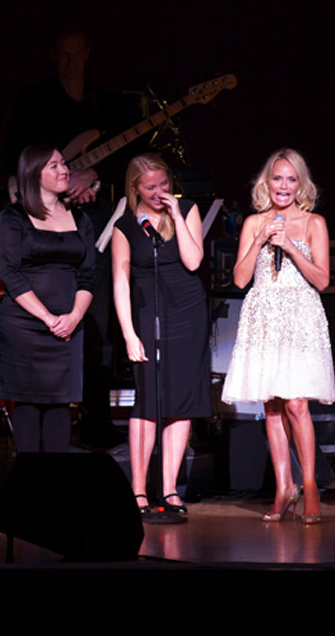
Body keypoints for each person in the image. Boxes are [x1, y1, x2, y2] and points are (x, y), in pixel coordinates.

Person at [2, 25, 143, 449]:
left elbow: (130, 163)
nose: (70, 61)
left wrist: (94, 174)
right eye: (63, 54)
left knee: (97, 325)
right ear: (52, 54)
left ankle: (96, 420)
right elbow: (14, 157)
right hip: (39, 237)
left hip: (91, 229)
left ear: (88, 53)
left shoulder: (107, 105)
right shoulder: (33, 100)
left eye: (77, 53)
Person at [221, 149, 335, 524]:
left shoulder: (314, 223)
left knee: (297, 404)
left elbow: (321, 280)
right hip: (264, 315)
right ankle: (283, 487)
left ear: (300, 184)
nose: (283, 186)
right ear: (266, 183)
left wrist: (289, 245)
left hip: (300, 316)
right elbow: (239, 279)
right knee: (271, 407)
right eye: (277, 178)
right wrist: (260, 239)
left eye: (291, 179)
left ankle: (310, 485)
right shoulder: (254, 223)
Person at [112, 154, 210, 514]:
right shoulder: (124, 226)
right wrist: (128, 333)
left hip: (188, 313)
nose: (159, 192)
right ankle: (138, 490)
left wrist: (177, 217)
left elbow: (193, 261)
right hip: (147, 316)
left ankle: (169, 489)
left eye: (164, 184)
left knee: (180, 402)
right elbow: (120, 283)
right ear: (135, 187)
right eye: (150, 187)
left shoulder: (188, 211)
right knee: (148, 402)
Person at [0, 145, 96, 452]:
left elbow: (88, 275)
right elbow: (10, 274)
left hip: (68, 324)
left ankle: (54, 487)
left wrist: (74, 317)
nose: (64, 170)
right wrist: (48, 318)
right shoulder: (13, 217)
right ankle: (29, 487)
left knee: (59, 401)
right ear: (33, 174)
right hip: (25, 325)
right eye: (54, 166)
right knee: (26, 401)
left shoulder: (81, 219)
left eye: (63, 164)